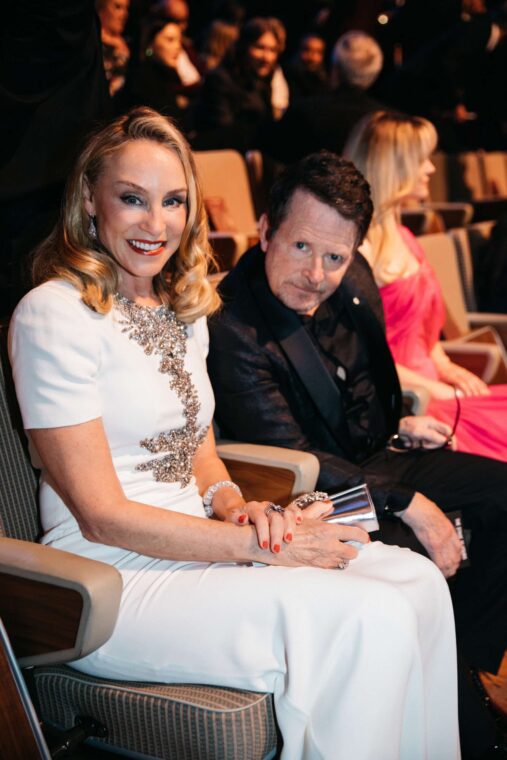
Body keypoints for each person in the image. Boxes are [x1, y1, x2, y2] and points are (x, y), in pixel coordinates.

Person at [8, 107, 461, 760]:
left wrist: (235, 504)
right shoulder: (52, 315)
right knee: (371, 617)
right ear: (89, 198)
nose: (155, 224)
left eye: (173, 202)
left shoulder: (183, 307)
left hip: (195, 538)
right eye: (132, 199)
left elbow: (202, 455)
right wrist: (254, 547)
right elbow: (103, 517)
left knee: (414, 584)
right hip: (107, 581)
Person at [207, 151, 507, 755]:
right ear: (265, 230)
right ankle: (468, 726)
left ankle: (460, 671)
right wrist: (408, 502)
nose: (316, 274)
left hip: (382, 453)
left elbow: (373, 372)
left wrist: (404, 416)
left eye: (335, 257)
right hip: (314, 489)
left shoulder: (356, 275)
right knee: (407, 549)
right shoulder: (233, 327)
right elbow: (292, 457)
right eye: (299, 248)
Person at [344, 110, 507, 462]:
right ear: (393, 166)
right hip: (408, 400)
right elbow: (362, 356)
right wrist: (433, 387)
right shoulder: (358, 253)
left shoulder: (406, 237)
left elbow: (426, 337)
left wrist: (448, 367)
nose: (431, 169)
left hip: (437, 389)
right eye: (422, 160)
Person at [263, 30, 384, 164]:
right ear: (375, 73)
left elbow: (273, 158)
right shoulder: (386, 123)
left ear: (335, 67)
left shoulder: (302, 112)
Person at [192, 17, 285, 151]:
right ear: (244, 47)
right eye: (260, 47)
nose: (267, 57)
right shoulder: (219, 79)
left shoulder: (262, 80)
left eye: (273, 50)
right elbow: (223, 134)